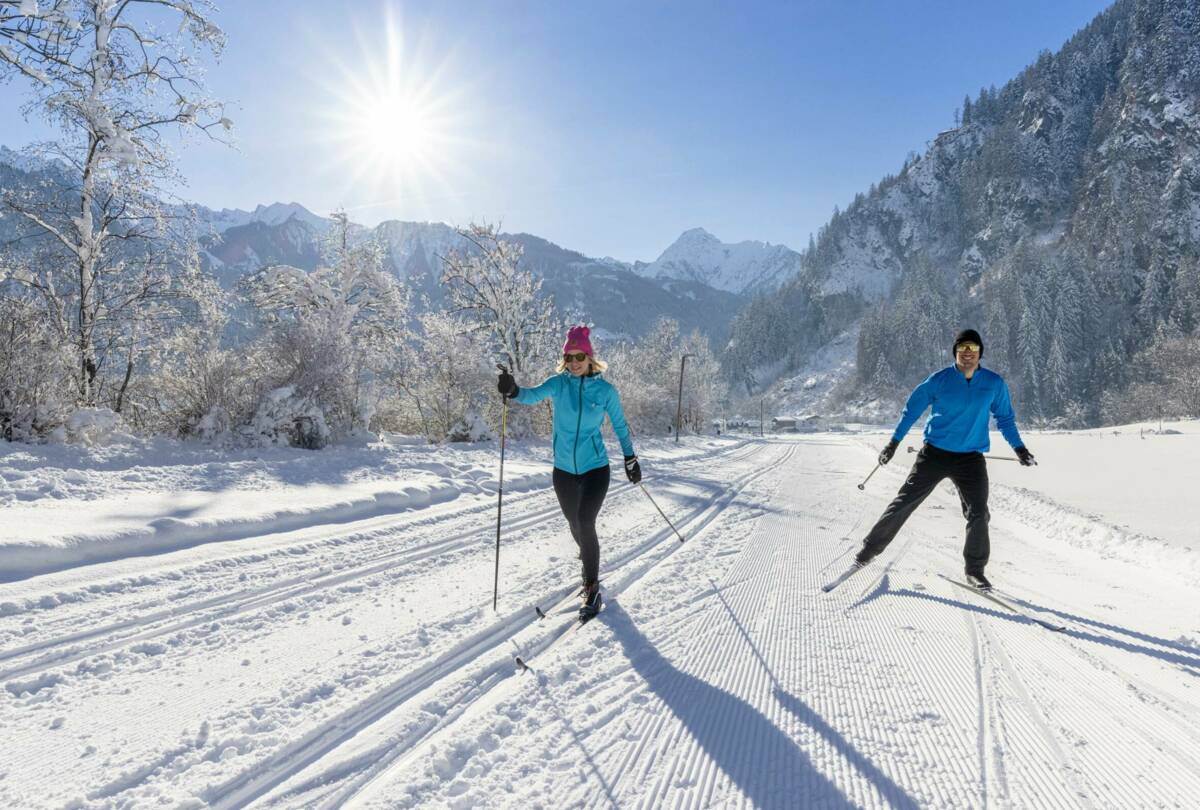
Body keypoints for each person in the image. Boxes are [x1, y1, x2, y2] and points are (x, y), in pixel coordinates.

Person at [853, 329, 1035, 590]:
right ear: (955, 352)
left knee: (979, 513)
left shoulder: (994, 384)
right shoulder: (939, 380)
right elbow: (910, 412)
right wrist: (893, 443)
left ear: (980, 352)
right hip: (934, 455)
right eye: (962, 350)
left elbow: (1004, 418)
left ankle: (975, 571)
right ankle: (868, 551)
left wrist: (1020, 449)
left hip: (971, 459)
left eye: (973, 349)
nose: (968, 355)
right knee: (904, 502)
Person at [496, 325, 640, 621]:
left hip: (595, 469)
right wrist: (512, 390)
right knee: (575, 525)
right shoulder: (559, 384)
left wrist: (630, 458)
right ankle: (588, 558)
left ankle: (591, 587)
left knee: (585, 520)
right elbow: (530, 396)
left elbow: (620, 425)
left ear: (590, 357)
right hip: (563, 471)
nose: (574, 362)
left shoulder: (605, 391)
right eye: (569, 356)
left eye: (579, 356)